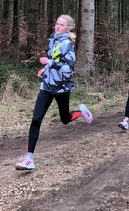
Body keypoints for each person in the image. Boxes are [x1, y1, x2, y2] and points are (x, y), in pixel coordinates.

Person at [16, 14, 93, 171]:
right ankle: (29, 159)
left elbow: (68, 69)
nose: (57, 26)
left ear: (68, 28)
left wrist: (50, 63)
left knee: (65, 119)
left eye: (61, 25)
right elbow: (54, 63)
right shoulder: (53, 41)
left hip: (62, 87)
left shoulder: (68, 44)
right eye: (57, 23)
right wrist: (44, 69)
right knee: (36, 119)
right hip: (47, 86)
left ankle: (81, 111)